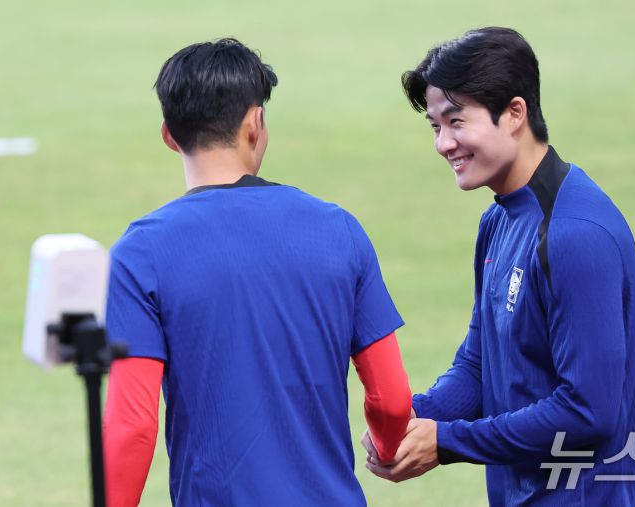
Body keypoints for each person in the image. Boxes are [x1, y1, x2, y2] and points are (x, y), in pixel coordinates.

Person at [364, 27, 635, 506]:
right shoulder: (499, 221)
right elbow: (479, 365)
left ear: (514, 113)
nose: (443, 144)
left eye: (456, 122)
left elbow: (588, 412)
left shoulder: (575, 234)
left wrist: (446, 442)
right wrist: (414, 418)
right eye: (435, 127)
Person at [102, 38, 412, 506]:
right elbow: (392, 398)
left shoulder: (140, 253)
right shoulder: (338, 230)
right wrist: (387, 448)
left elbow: (131, 426)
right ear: (255, 122)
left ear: (169, 135)